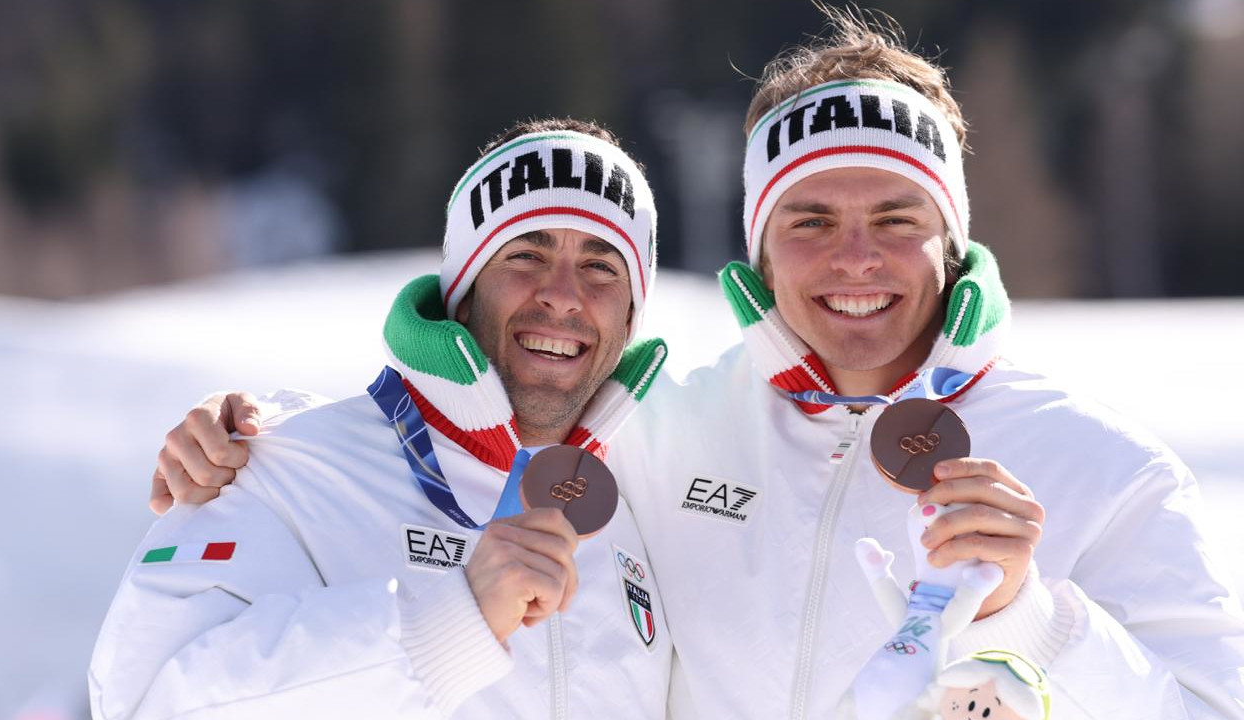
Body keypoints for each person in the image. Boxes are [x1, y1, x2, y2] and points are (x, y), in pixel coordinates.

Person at [148, 10, 1244, 719]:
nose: (854, 257)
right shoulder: (663, 431)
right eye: (808, 218)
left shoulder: (1103, 467)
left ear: (950, 234)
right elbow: (476, 434)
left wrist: (1032, 620)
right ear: (757, 248)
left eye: (895, 215)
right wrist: (264, 437)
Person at [89, 119, 674, 720]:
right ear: (463, 291)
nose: (562, 294)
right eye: (526, 254)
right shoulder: (278, 467)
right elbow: (149, 700)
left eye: (602, 267)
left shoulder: (657, 494)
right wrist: (443, 630)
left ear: (631, 315)